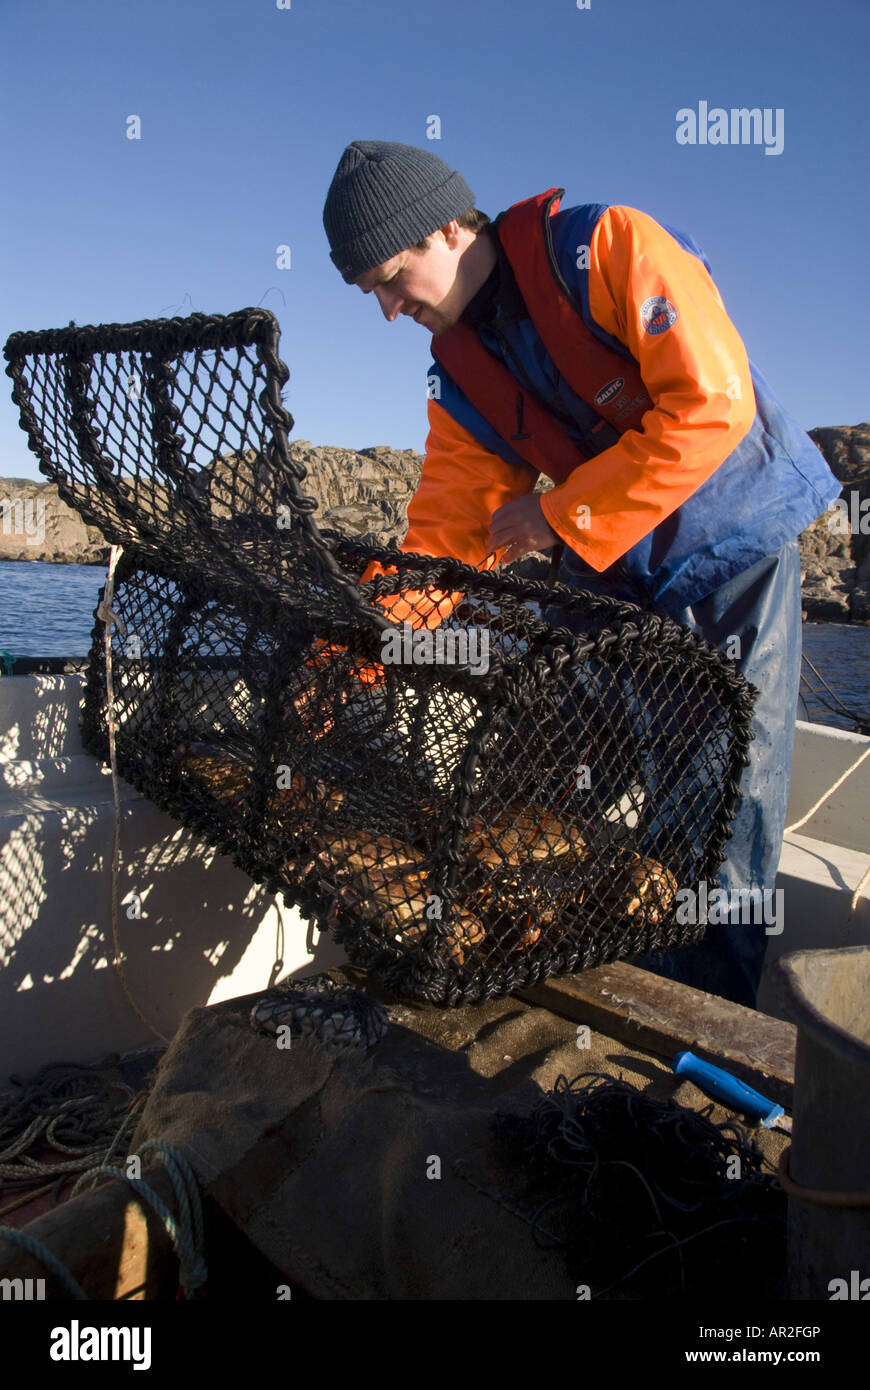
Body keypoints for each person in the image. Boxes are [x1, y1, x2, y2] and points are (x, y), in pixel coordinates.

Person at [319, 139, 841, 1008]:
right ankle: (555, 969)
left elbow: (711, 405)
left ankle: (697, 1033)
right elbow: (448, 535)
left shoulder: (607, 247)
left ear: (450, 227)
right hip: (613, 565)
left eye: (388, 276)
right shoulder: (460, 373)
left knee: (719, 797)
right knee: (539, 742)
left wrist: (559, 516)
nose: (385, 308)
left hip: (731, 544)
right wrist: (366, 650)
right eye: (368, 291)